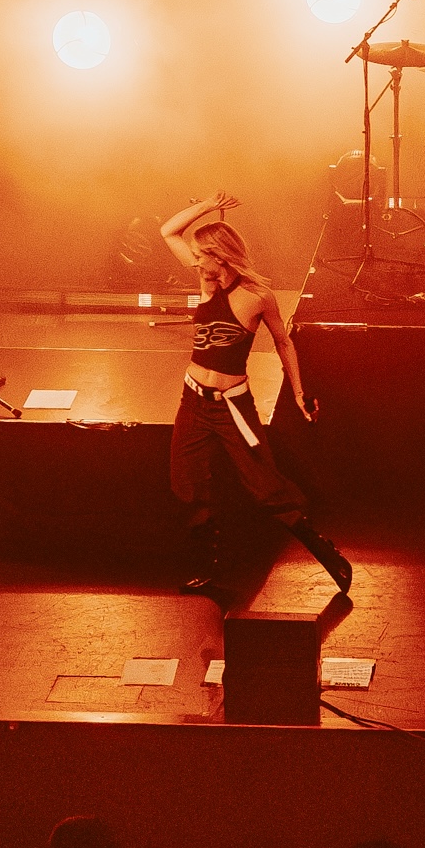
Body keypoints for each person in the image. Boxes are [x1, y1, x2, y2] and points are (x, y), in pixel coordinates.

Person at [160, 192, 354, 603]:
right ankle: (209, 568)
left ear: (220, 256)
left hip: (233, 407)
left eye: (202, 255)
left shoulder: (258, 296)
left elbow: (284, 343)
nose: (196, 261)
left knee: (265, 486)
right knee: (186, 482)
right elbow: (168, 231)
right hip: (193, 401)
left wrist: (299, 393)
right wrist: (207, 206)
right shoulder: (205, 282)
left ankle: (326, 553)